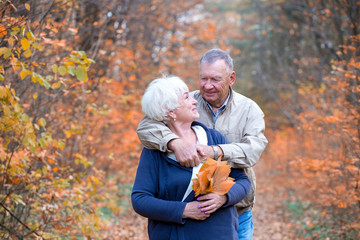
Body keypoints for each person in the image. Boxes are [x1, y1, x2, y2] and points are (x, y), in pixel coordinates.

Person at [137, 49, 268, 240]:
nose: (207, 86)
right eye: (203, 78)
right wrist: (175, 143)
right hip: (184, 225)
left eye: (215, 79)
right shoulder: (183, 101)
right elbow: (146, 125)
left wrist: (215, 151)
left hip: (237, 210)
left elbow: (252, 152)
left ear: (231, 78)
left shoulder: (249, 110)